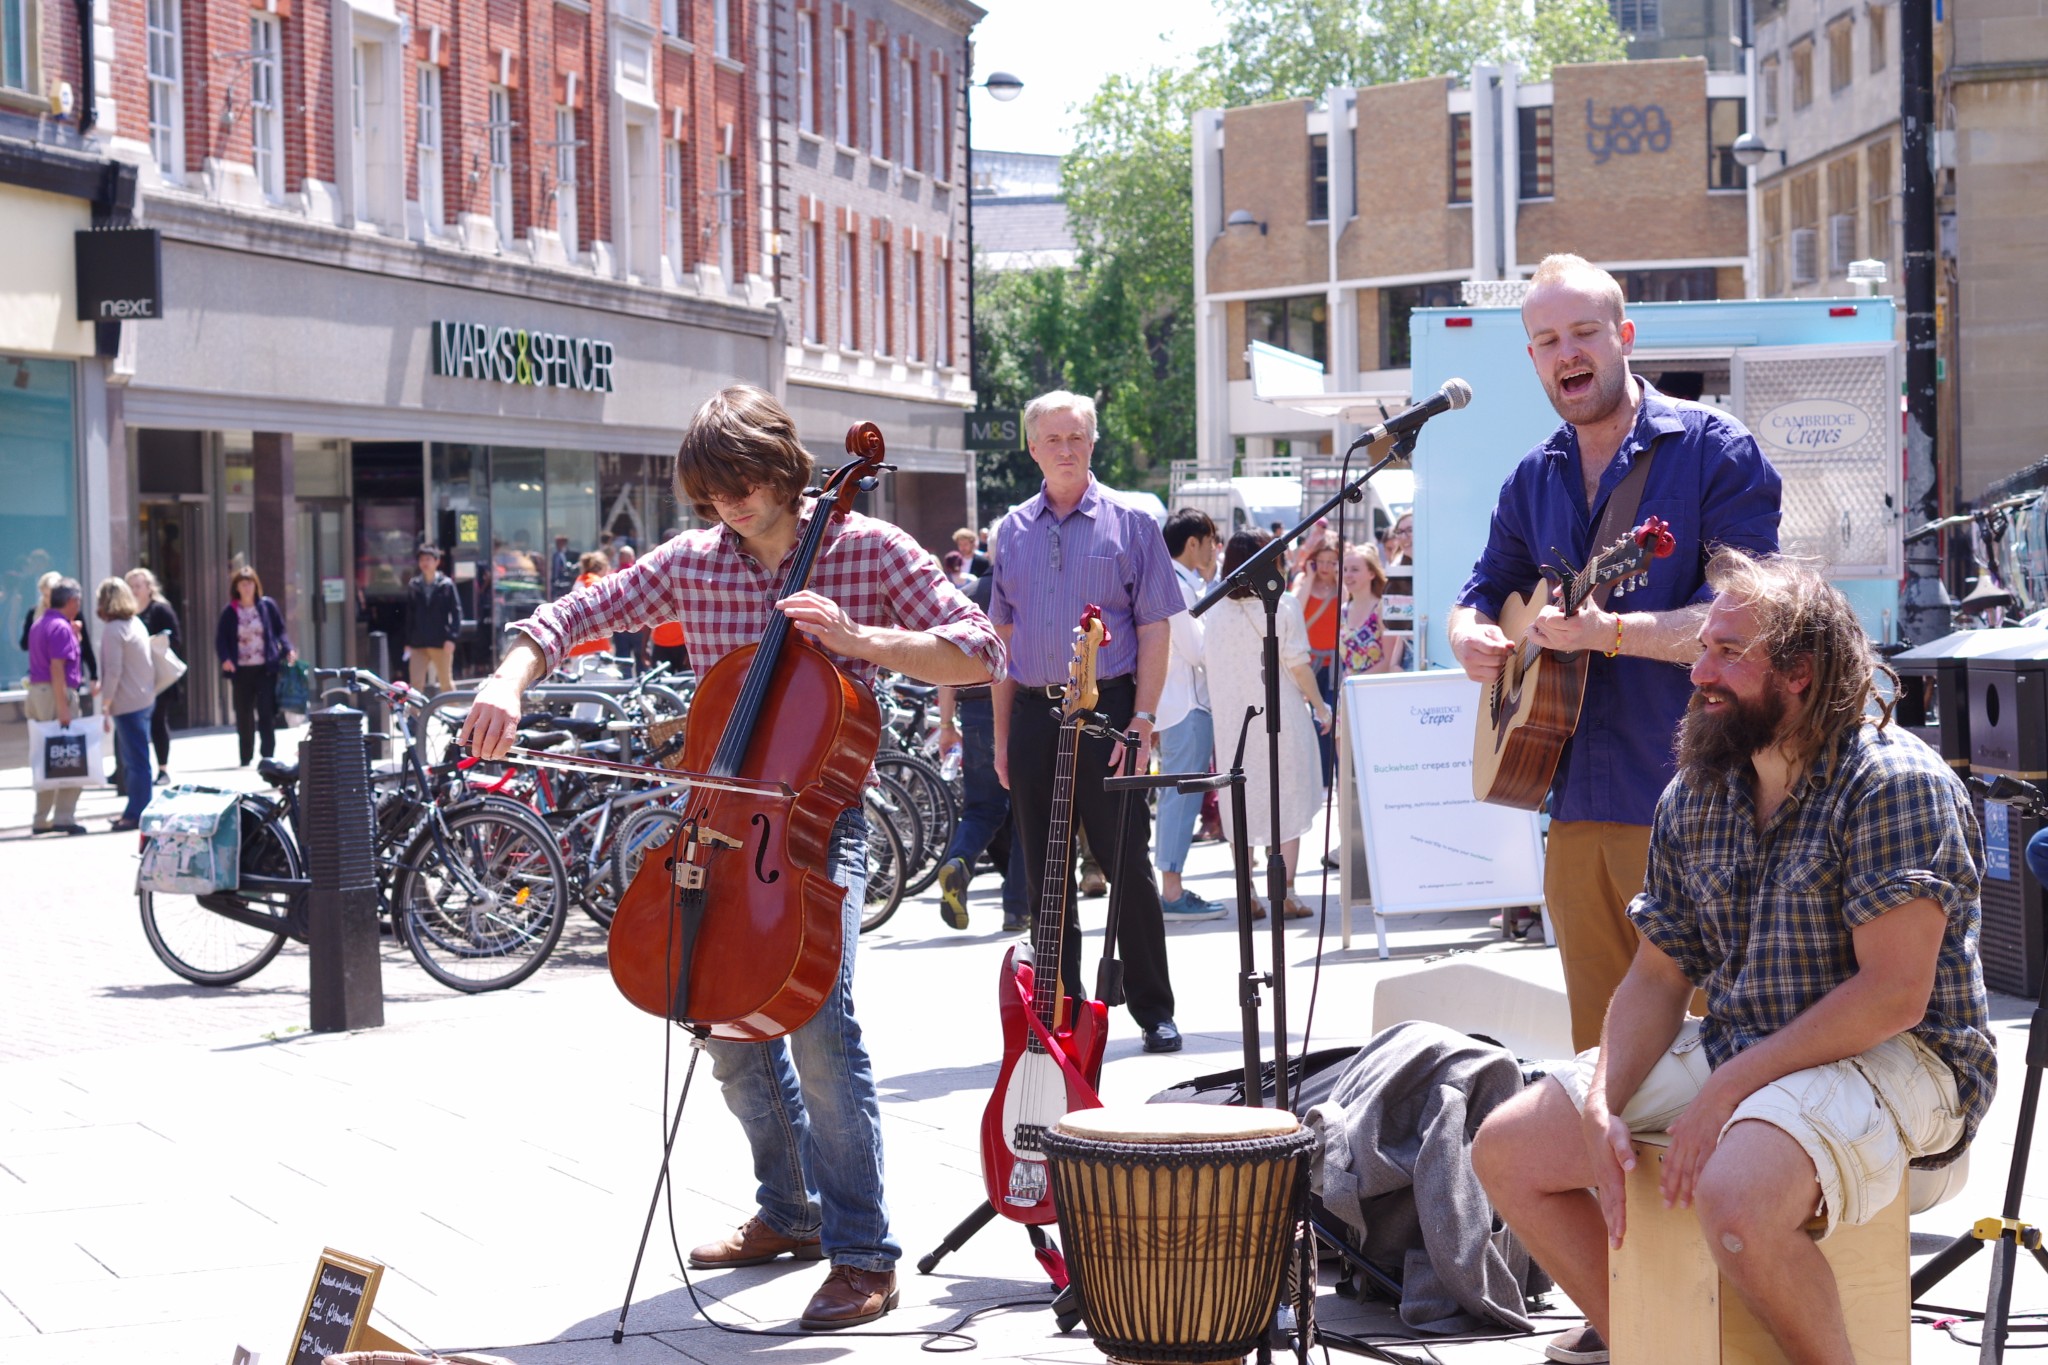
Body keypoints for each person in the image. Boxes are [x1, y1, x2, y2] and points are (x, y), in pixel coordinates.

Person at [459, 384, 1001, 1331]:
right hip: (716, 826)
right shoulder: (694, 562)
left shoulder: (868, 549)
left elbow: (980, 648)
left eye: (744, 483)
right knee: (727, 1033)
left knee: (821, 1036)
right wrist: (509, 677)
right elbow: (575, 614)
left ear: (786, 468)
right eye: (713, 492)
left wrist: (861, 638)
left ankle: (864, 1250)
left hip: (822, 825)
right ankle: (789, 1211)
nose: (731, 506)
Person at [1472, 550, 1996, 1365]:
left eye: (1725, 653)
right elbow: (1656, 972)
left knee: (1736, 1194)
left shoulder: (1892, 780)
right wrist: (1604, 1099)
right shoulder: (1698, 789)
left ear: (1798, 673)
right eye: (1701, 648)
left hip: (1909, 1059)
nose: (1699, 673)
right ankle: (1655, 1345)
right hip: (1749, 1046)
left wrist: (1727, 1087)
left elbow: (1894, 995)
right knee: (1506, 1147)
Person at [1448, 253, 1782, 1053]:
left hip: (1691, 799)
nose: (1568, 352)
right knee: (1599, 1063)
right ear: (1532, 358)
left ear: (1624, 336)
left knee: (1706, 1053)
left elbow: (1756, 618)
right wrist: (1468, 633)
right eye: (1547, 339)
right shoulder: (1533, 476)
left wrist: (1617, 633)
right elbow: (1485, 586)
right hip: (1573, 811)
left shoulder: (1715, 451)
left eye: (1584, 332)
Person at [990, 390, 1189, 1054]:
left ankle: (1153, 1007)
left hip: (1110, 709)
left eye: (1077, 436)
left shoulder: (1132, 522)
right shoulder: (1010, 531)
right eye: (1053, 438)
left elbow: (1157, 627)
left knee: (1125, 860)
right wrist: (998, 738)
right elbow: (1002, 642)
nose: (1067, 449)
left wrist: (1143, 719)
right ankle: (1057, 1009)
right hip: (1035, 712)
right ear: (1032, 448)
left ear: (1093, 442)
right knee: (1048, 869)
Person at [1204, 532, 1329, 921]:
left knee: (1239, 799)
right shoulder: (1283, 603)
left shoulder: (1213, 608)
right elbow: (1297, 663)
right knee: (1286, 797)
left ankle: (1248, 892)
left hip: (1232, 722)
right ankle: (1287, 892)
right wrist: (1321, 706)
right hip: (1280, 715)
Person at [934, 521, 1029, 934]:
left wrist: (946, 724)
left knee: (981, 809)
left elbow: (942, 666)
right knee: (1030, 811)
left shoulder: (964, 596)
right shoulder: (1025, 592)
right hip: (1018, 707)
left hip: (972, 711)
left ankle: (959, 858)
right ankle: (1018, 908)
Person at [1154, 507, 1226, 920]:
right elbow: (1199, 649)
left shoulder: (1181, 581)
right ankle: (1171, 892)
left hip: (1184, 704)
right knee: (1179, 800)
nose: (1215, 548)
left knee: (1178, 799)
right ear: (1193, 542)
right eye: (1211, 539)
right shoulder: (1177, 586)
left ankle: (1172, 888)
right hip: (1185, 705)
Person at [214, 567, 296, 766]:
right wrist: (226, 658)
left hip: (265, 668)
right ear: (237, 588)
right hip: (241, 670)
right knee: (243, 713)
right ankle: (246, 755)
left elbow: (280, 630)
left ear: (256, 585)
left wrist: (287, 648)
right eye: (243, 584)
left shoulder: (267, 606)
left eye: (250, 583)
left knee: (266, 711)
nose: (247, 587)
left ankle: (267, 755)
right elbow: (221, 640)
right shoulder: (230, 611)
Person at [26, 578, 87, 835]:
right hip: (56, 693)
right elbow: (57, 668)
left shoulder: (40, 623)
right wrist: (64, 707)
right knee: (69, 753)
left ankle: (41, 817)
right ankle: (64, 816)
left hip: (38, 693)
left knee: (45, 754)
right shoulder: (60, 628)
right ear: (71, 601)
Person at [96, 578, 155, 831]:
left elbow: (113, 671)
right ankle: (137, 809)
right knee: (138, 760)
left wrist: (105, 703)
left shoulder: (113, 629)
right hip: (143, 699)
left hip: (127, 702)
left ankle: (137, 813)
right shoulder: (135, 623)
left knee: (135, 761)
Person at [1293, 541, 1342, 791]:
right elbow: (1295, 610)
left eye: (1331, 561)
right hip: (1310, 663)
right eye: (1321, 561)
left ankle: (1337, 780)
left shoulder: (1342, 585)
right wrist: (1310, 578)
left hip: (1336, 663)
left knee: (1336, 719)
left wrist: (1339, 575)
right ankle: (1321, 781)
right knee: (1316, 722)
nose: (1325, 567)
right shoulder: (1304, 580)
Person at [126, 568, 181, 780]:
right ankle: (127, 769)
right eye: (130, 587)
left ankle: (163, 768)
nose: (134, 591)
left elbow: (176, 640)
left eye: (138, 586)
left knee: (158, 720)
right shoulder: (127, 614)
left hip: (159, 676)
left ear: (149, 588)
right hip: (135, 677)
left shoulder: (161, 610)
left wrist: (154, 643)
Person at [402, 545, 463, 697]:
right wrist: (407, 642)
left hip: (441, 641)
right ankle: (414, 718)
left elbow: (456, 613)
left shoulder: (446, 585)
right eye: (422, 560)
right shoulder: (414, 585)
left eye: (428, 559)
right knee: (415, 685)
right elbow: (409, 615)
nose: (425, 563)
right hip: (418, 642)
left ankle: (454, 718)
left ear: (436, 561)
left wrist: (452, 638)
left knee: (446, 683)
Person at [1340, 543, 1407, 676]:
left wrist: (1356, 681)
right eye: (1345, 569)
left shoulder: (1381, 609)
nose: (1348, 575)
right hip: (1349, 690)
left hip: (1375, 689)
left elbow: (1389, 661)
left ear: (1371, 574)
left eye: (1354, 570)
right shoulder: (1343, 610)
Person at [566, 552, 612, 661]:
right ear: (602, 567)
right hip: (594, 646)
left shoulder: (580, 580)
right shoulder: (596, 582)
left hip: (577, 646)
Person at [610, 543, 646, 675]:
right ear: (632, 557)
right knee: (641, 660)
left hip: (620, 625)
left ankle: (625, 689)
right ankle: (644, 690)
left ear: (619, 559)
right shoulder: (639, 574)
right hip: (640, 624)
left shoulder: (613, 576)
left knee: (623, 660)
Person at [548, 533, 576, 598]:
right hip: (556, 583)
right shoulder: (556, 555)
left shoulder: (563, 554)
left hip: (562, 582)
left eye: (561, 543)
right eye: (557, 543)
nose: (558, 544)